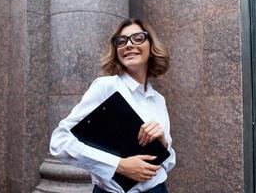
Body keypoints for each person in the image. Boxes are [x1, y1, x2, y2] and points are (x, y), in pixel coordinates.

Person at [50, 18, 176, 193]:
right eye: (121, 41)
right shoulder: (106, 87)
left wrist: (163, 144)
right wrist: (119, 165)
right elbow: (60, 142)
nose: (129, 45)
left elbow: (168, 163)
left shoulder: (158, 99)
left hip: (158, 189)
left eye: (138, 38)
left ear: (151, 47)